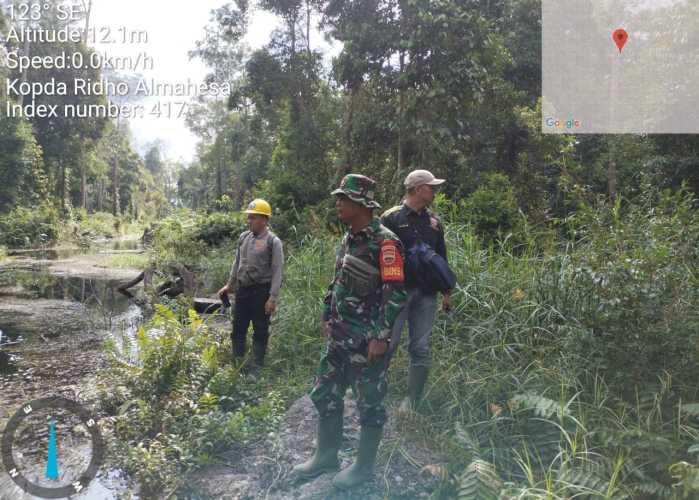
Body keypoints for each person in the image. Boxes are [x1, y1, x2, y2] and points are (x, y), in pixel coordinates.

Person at [292, 174, 407, 489]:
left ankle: (363, 468)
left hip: (367, 342)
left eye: (344, 198)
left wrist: (381, 337)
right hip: (338, 337)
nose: (338, 203)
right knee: (325, 392)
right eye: (339, 197)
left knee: (369, 402)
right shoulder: (349, 239)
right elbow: (337, 281)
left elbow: (395, 293)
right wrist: (326, 312)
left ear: (362, 204)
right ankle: (326, 456)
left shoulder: (386, 243)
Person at [380, 169, 452, 410]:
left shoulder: (434, 222)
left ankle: (411, 401)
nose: (434, 191)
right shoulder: (390, 218)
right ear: (418, 188)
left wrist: (446, 292)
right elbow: (376, 255)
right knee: (388, 343)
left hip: (427, 294)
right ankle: (375, 393)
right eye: (431, 187)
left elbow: (441, 257)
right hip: (397, 293)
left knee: (420, 347)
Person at [217, 199, 284, 374]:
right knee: (238, 327)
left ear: (264, 219)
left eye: (253, 217)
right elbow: (237, 262)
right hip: (243, 290)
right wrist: (229, 285)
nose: (249, 221)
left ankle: (256, 368)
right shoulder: (243, 238)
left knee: (260, 329)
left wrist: (273, 297)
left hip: (261, 291)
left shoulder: (273, 242)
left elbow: (278, 271)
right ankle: (237, 365)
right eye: (249, 217)